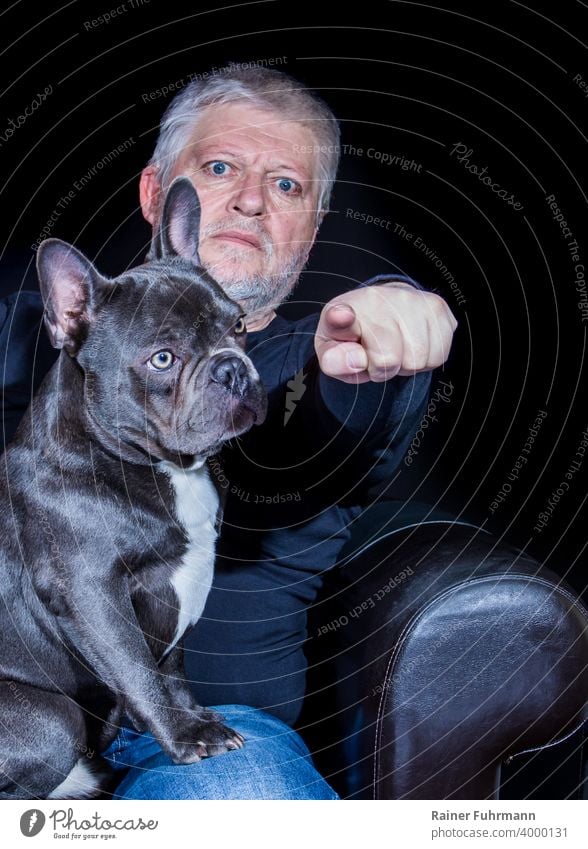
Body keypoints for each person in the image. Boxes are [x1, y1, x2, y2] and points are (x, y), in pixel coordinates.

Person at [0, 66, 457, 799]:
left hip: (216, 732)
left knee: (238, 805)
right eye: (221, 168)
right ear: (157, 196)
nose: (251, 198)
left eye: (287, 186)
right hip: (25, 711)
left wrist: (394, 309)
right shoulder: (54, 321)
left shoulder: (322, 356)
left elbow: (337, 395)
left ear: (313, 226)